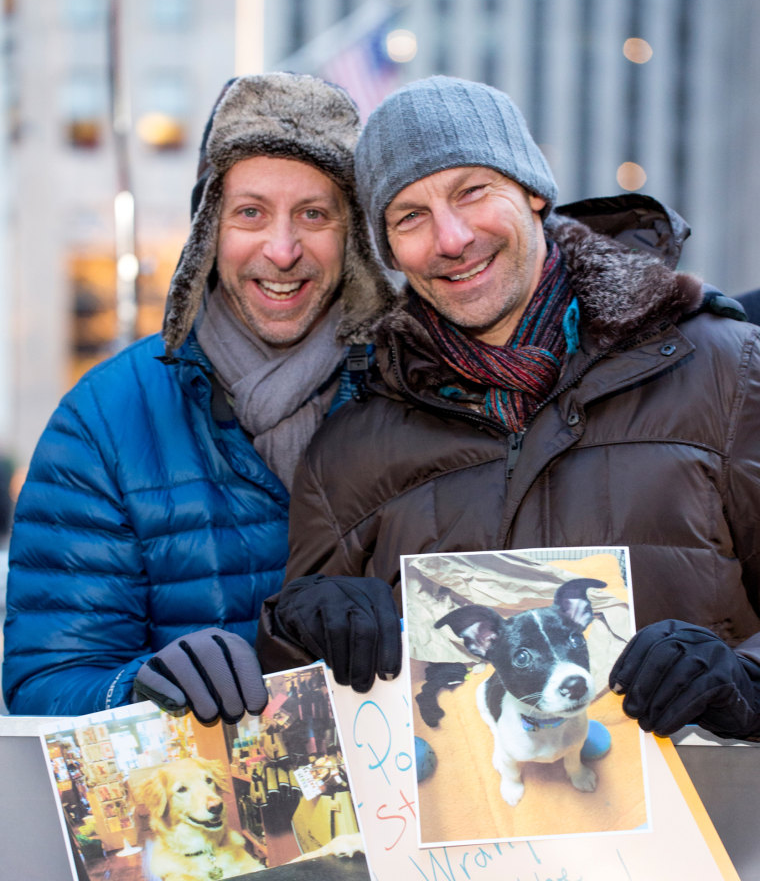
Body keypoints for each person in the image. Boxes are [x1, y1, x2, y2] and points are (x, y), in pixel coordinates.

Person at [258, 74, 760, 743]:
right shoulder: (348, 451)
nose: (453, 237)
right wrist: (298, 633)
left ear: (532, 192)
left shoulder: (726, 371)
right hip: (467, 841)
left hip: (714, 836)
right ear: (390, 253)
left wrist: (743, 684)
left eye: (472, 191)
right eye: (411, 217)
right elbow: (306, 738)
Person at [3, 72, 393, 721]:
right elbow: (49, 685)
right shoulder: (102, 424)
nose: (283, 249)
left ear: (350, 235)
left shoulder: (411, 393)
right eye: (251, 212)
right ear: (209, 228)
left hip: (394, 806)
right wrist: (138, 689)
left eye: (314, 214)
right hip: (205, 815)